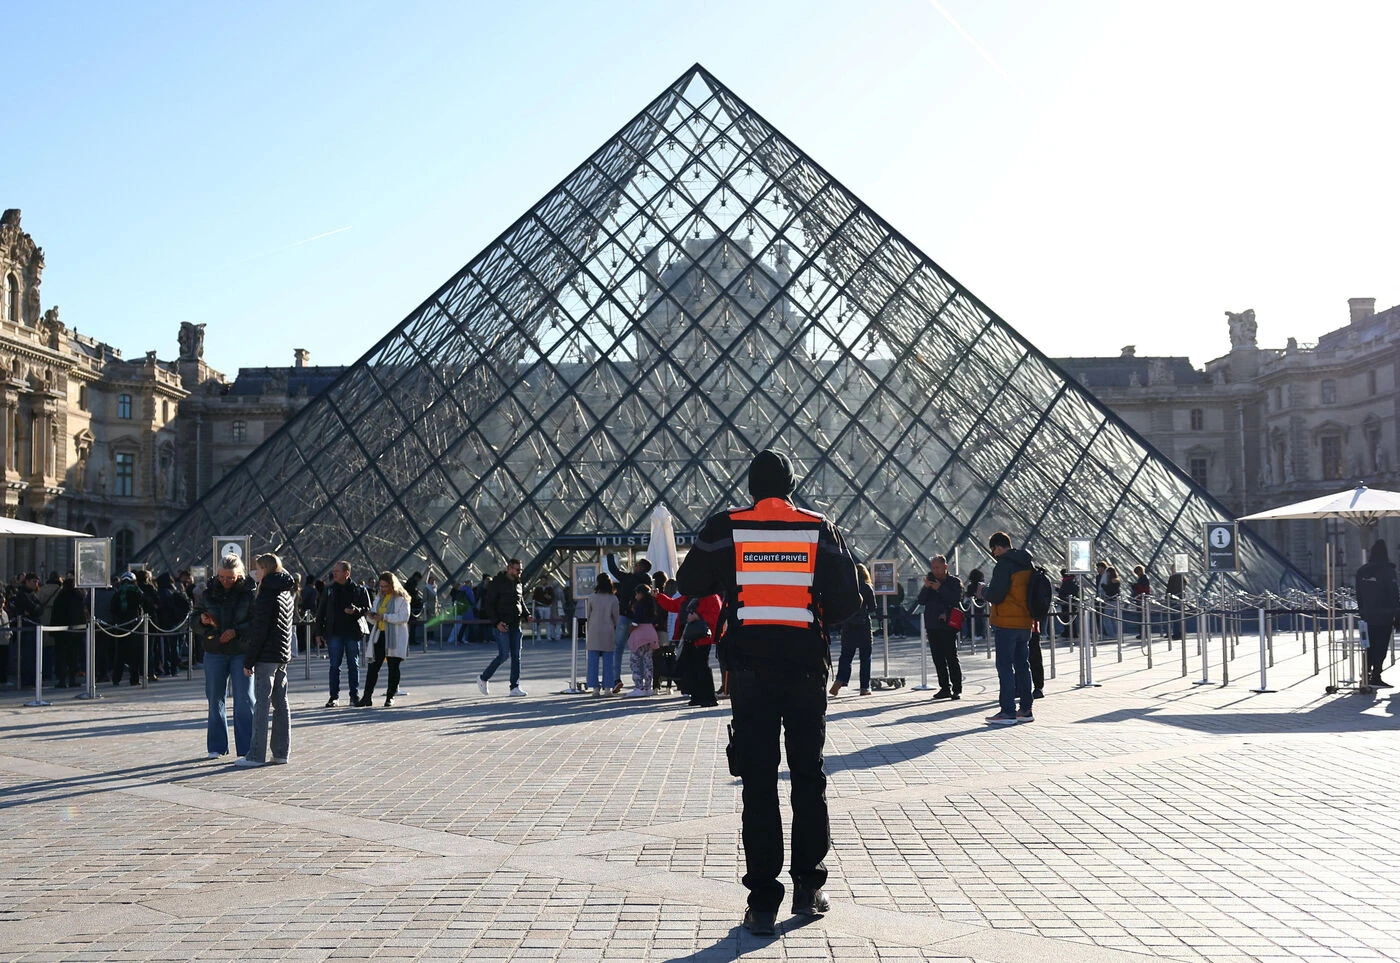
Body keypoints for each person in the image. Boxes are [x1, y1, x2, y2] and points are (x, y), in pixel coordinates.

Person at [677, 449, 860, 935]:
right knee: (808, 777)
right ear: (791, 486)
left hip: (749, 670)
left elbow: (688, 580)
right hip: (805, 667)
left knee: (758, 782)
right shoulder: (819, 528)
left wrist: (730, 579)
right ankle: (808, 887)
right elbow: (848, 602)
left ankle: (761, 902)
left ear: (751, 487)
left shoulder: (725, 527)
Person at [194, 556, 256, 759]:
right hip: (215, 650)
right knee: (215, 699)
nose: (225, 581)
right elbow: (193, 619)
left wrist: (236, 631)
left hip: (241, 651)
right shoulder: (208, 592)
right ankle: (216, 746)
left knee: (245, 700)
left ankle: (247, 749)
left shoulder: (250, 593)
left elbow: (257, 622)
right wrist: (202, 621)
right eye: (221, 577)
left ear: (240, 575)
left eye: (230, 577)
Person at [237, 553, 294, 768]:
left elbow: (259, 631)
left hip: (266, 656)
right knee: (281, 703)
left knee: (262, 705)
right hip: (281, 655)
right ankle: (281, 752)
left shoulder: (266, 594)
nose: (255, 573)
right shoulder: (285, 591)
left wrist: (248, 661)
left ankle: (256, 755)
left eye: (258, 569)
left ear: (266, 569)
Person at [982, 531, 1035, 725]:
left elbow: (996, 595)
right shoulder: (1027, 563)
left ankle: (1007, 711)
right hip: (1025, 622)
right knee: (1023, 666)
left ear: (998, 547)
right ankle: (1026, 709)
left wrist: (983, 591)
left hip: (1006, 623)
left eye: (993, 550)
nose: (993, 554)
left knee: (1004, 667)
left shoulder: (1004, 565)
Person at [315, 560, 372, 708]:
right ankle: (334, 697)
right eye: (334, 571)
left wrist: (356, 611)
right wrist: (318, 632)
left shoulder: (359, 589)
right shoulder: (329, 590)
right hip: (334, 632)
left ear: (347, 573)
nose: (334, 573)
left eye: (337, 571)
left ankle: (354, 695)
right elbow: (320, 612)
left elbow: (367, 609)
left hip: (352, 632)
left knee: (353, 664)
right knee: (334, 665)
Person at [478, 558, 531, 696]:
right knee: (504, 655)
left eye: (521, 570)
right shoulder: (497, 583)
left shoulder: (518, 583)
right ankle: (483, 678)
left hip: (516, 624)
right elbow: (489, 605)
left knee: (516, 657)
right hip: (502, 624)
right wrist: (496, 622)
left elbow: (520, 601)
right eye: (517, 570)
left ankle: (514, 687)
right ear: (509, 568)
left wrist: (527, 615)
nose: (519, 572)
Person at [360, 572, 411, 707]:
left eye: (385, 586)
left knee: (393, 666)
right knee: (373, 667)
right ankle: (367, 696)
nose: (383, 589)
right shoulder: (379, 598)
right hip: (379, 635)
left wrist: (384, 617)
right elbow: (374, 620)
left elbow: (404, 617)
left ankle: (390, 696)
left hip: (394, 637)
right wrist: (370, 616)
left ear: (393, 585)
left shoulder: (402, 599)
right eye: (381, 586)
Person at [918, 556, 963, 700]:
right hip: (932, 624)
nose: (935, 570)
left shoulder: (954, 582)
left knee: (951, 657)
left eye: (937, 567)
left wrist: (940, 588)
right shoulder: (930, 582)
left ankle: (957, 688)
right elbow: (921, 600)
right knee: (938, 658)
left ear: (945, 567)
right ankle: (944, 687)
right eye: (933, 568)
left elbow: (955, 599)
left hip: (948, 625)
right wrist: (926, 587)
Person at [606, 554, 652, 693]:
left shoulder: (629, 578)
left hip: (625, 616)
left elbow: (613, 570)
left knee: (618, 648)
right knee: (641, 651)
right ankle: (642, 682)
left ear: (640, 567)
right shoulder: (648, 582)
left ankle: (616, 679)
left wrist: (610, 556)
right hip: (641, 620)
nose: (634, 566)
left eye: (636, 565)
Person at [1356, 539, 1398, 689]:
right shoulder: (1387, 571)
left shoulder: (1362, 571)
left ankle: (1365, 673)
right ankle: (1376, 675)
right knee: (1381, 647)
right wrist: (1396, 614)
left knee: (1368, 645)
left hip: (1367, 615)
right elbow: (1393, 595)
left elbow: (1358, 595)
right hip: (1384, 616)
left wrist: (1362, 611)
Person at [830, 563, 876, 697]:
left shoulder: (847, 587)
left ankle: (840, 679)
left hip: (848, 625)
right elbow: (873, 607)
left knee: (846, 656)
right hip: (863, 626)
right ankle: (864, 687)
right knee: (865, 658)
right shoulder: (867, 587)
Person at [108, 572, 148, 686]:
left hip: (121, 625)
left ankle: (116, 678)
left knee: (120, 653)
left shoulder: (118, 592)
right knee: (135, 653)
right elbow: (145, 602)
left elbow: (112, 608)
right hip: (135, 624)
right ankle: (134, 678)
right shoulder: (137, 591)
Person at [50, 576, 88, 689]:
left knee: (61, 657)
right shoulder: (78, 597)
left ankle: (62, 680)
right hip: (75, 632)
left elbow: (55, 615)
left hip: (61, 632)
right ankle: (72, 679)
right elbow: (82, 615)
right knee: (73, 657)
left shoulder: (60, 597)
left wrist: (53, 631)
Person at [622, 583, 660, 697]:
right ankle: (648, 687)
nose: (636, 596)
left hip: (640, 634)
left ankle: (639, 687)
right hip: (650, 633)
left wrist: (630, 630)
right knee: (648, 662)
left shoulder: (640, 605)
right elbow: (655, 620)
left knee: (635, 661)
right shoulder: (652, 604)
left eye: (637, 594)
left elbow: (636, 621)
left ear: (641, 594)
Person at [584, 574, 619, 696]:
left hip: (594, 630)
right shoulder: (613, 598)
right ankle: (608, 687)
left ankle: (595, 688)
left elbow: (588, 615)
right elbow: (616, 617)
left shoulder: (592, 597)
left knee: (592, 662)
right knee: (608, 662)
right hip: (608, 631)